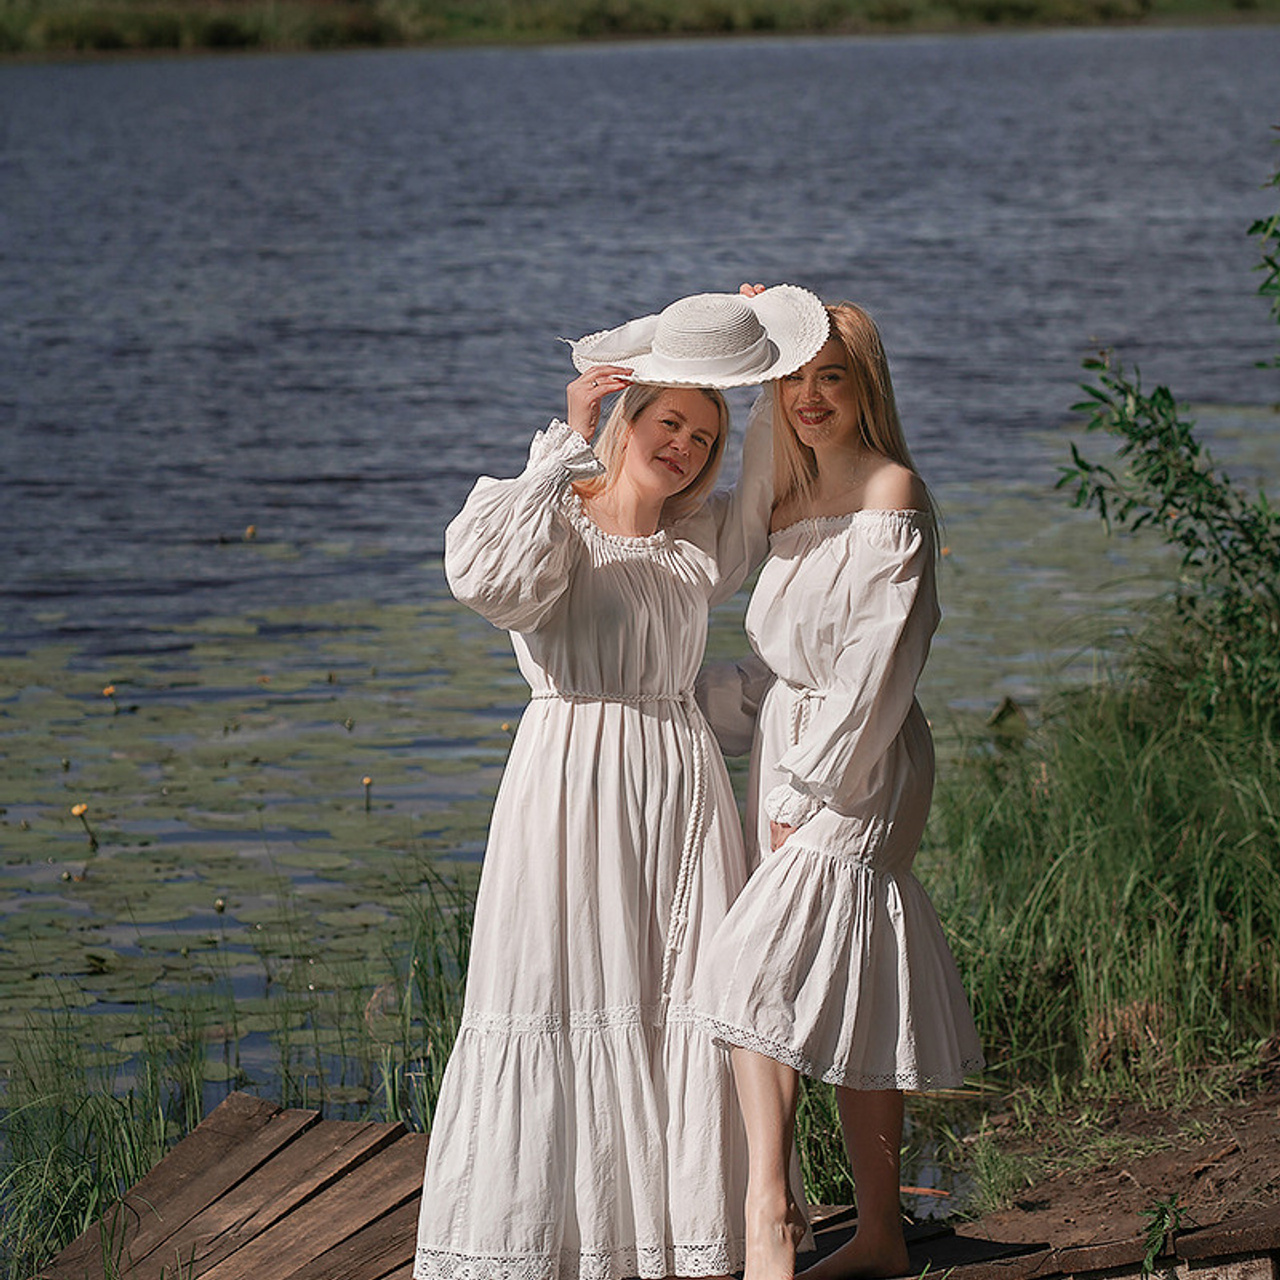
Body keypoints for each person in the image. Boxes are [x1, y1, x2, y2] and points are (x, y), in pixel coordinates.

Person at [413, 286, 830, 1280]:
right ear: (621, 418)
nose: (683, 444)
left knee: (686, 999)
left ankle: (685, 1238)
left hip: (678, 791)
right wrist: (564, 442)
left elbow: (786, 461)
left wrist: (760, 340)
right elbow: (489, 584)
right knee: (559, 994)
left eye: (702, 431)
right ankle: (557, 1245)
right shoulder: (550, 518)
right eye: (666, 421)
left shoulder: (700, 541)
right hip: (565, 791)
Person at [694, 291, 985, 1280]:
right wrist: (751, 330)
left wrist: (806, 789)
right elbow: (732, 586)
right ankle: (878, 1232)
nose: (809, 396)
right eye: (792, 377)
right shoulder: (780, 481)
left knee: (749, 966)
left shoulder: (887, 491)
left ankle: (769, 1210)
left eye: (831, 376)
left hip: (859, 760)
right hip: (786, 740)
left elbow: (876, 666)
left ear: (866, 386)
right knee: (840, 986)